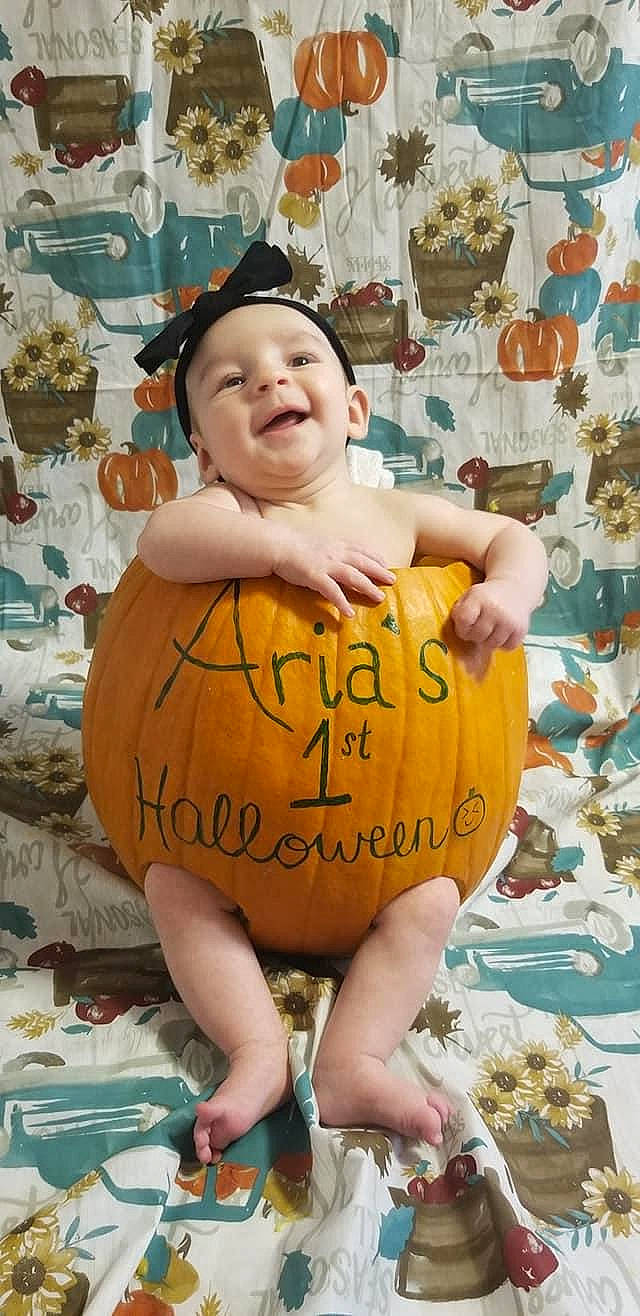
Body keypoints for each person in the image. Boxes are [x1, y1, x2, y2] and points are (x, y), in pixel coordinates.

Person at [134, 242, 548, 1166]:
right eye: (231, 380)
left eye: (296, 359)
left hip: (396, 851)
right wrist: (284, 553)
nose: (267, 380)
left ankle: (354, 1060)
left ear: (354, 410)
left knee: (432, 902)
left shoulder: (398, 516)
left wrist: (510, 591)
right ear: (204, 450)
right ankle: (254, 1052)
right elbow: (163, 539)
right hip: (225, 847)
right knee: (171, 886)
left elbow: (510, 536)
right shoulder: (227, 520)